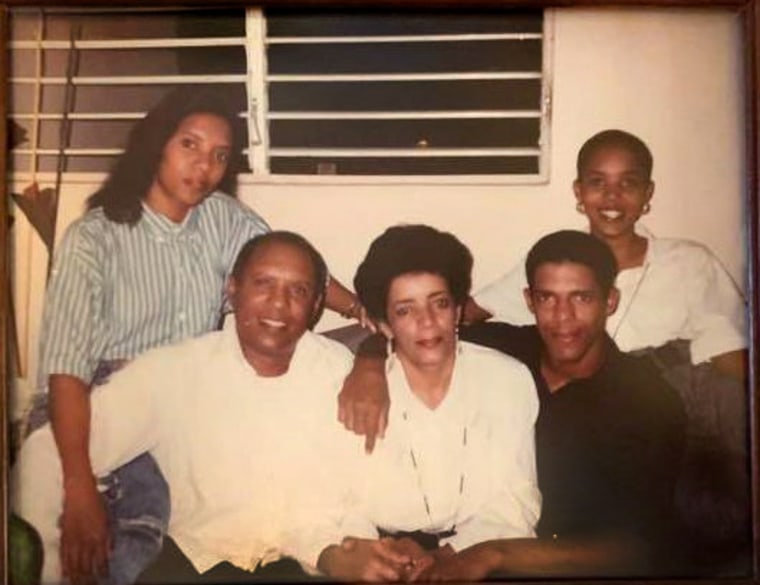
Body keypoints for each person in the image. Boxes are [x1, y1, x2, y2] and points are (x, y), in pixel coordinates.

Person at [28, 87, 363, 585]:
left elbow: (287, 266)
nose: (204, 167)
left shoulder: (223, 219)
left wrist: (365, 311)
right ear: (157, 144)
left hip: (186, 399)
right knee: (125, 545)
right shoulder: (94, 238)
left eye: (219, 156)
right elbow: (67, 370)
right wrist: (80, 487)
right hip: (97, 400)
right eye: (190, 145)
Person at [14, 231, 408, 585]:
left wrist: (371, 356)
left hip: (320, 559)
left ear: (317, 304)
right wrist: (46, 563)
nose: (278, 304)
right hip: (200, 562)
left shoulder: (342, 374)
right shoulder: (174, 372)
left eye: (298, 291)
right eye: (263, 284)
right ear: (232, 290)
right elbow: (46, 452)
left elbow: (372, 478)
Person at [341, 230, 687, 579]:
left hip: (562, 566)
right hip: (475, 550)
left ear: (609, 301)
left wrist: (490, 554)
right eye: (547, 298)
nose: (563, 316)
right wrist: (368, 364)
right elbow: (420, 334)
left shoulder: (648, 402)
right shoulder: (506, 349)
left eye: (581, 298)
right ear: (529, 300)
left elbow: (638, 549)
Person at [319, 225, 540, 580]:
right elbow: (341, 502)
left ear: (457, 310)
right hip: (379, 562)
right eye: (406, 310)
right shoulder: (354, 390)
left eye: (439, 303)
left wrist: (448, 556)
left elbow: (515, 502)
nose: (427, 322)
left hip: (477, 559)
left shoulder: (507, 380)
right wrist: (383, 555)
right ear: (386, 323)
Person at [466, 129, 747, 381]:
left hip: (665, 407)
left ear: (647, 193)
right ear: (579, 191)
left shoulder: (689, 263)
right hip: (580, 408)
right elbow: (468, 313)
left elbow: (730, 353)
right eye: (598, 182)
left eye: (628, 183)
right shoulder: (556, 263)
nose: (612, 197)